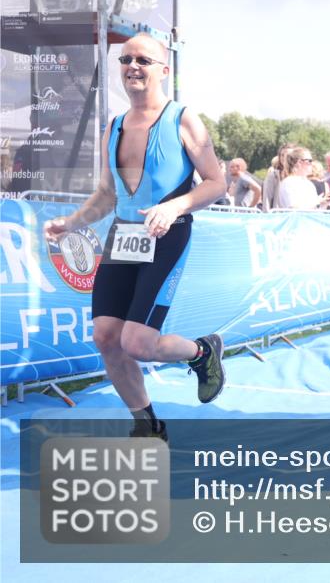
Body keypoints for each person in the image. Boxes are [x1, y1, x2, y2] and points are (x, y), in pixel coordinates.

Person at [42, 33, 227, 440]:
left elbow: (217, 183)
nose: (133, 67)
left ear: (164, 69)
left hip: (168, 234)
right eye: (126, 60)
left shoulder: (182, 119)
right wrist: (71, 222)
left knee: (139, 343)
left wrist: (174, 206)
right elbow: (108, 195)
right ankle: (147, 425)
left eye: (143, 59)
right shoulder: (115, 125)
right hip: (124, 236)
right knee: (107, 338)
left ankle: (202, 351)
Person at [261, 143, 295, 211]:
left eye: (288, 155)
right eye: (282, 155)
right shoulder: (273, 176)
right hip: (279, 216)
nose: (285, 158)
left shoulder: (300, 176)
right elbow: (267, 200)